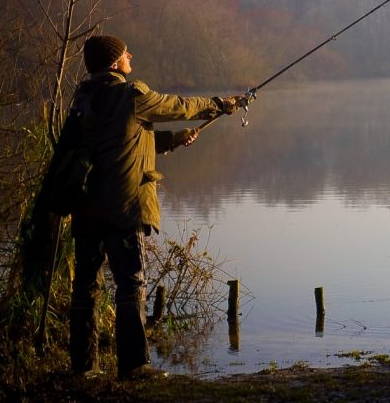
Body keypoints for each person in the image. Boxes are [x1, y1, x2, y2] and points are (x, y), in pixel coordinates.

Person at [64, 35, 251, 380]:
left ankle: (83, 367)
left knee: (85, 288)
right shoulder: (132, 95)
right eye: (125, 53)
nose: (130, 56)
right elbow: (177, 105)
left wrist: (172, 140)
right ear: (115, 62)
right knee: (131, 285)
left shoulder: (84, 98)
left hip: (86, 209)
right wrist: (219, 104)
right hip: (123, 207)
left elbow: (120, 144)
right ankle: (134, 367)